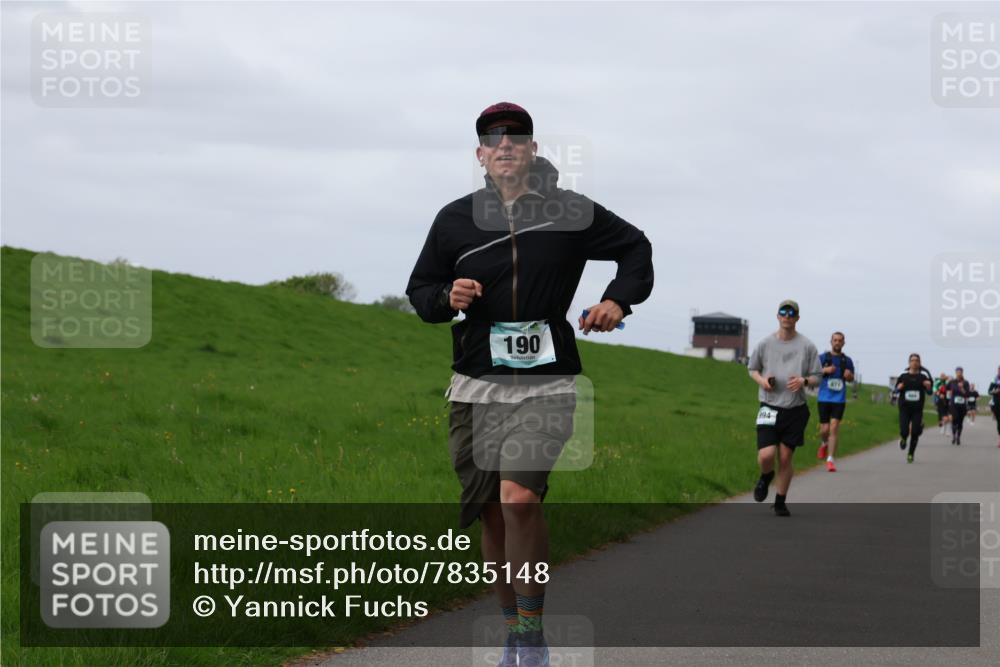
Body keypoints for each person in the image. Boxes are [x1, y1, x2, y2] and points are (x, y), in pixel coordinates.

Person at [406, 102, 653, 667]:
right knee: (491, 512)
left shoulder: (569, 212)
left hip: (547, 381)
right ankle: (516, 632)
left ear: (533, 148)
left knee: (519, 499)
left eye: (517, 137)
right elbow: (421, 292)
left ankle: (532, 636)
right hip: (477, 382)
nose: (506, 145)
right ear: (480, 155)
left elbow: (635, 247)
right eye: (494, 139)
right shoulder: (454, 220)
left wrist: (618, 299)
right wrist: (449, 298)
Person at [747, 299, 822, 517]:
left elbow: (817, 376)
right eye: (783, 312)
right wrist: (762, 381)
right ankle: (765, 476)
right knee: (766, 455)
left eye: (792, 313)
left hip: (795, 408)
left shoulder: (807, 346)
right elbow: (752, 369)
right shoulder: (765, 344)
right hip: (769, 406)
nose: (787, 316)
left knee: (786, 457)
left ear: (797, 318)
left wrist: (804, 382)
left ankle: (780, 501)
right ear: (778, 316)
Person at [816, 332, 855, 472]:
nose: (837, 342)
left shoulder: (847, 361)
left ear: (843, 343)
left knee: (833, 428)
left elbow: (851, 378)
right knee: (824, 429)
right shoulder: (823, 358)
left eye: (840, 340)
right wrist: (825, 370)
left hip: (839, 399)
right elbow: (813, 372)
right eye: (835, 340)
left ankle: (830, 459)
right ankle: (824, 442)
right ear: (831, 342)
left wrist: (849, 376)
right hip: (824, 398)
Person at [895, 354, 932, 463]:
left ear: (920, 363)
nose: (914, 362)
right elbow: (895, 391)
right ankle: (903, 438)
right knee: (904, 430)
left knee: (915, 432)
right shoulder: (903, 376)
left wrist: (928, 386)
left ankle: (911, 453)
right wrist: (898, 388)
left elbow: (930, 392)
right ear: (909, 363)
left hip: (917, 410)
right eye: (912, 360)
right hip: (904, 408)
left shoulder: (923, 377)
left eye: (917, 360)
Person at [946, 367, 972, 445]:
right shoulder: (952, 382)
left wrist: (962, 388)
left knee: (960, 422)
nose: (959, 373)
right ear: (955, 373)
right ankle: (954, 435)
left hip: (962, 405)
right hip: (953, 404)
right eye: (957, 372)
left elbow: (967, 394)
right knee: (955, 419)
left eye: (960, 372)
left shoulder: (966, 382)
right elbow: (946, 388)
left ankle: (958, 437)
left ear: (962, 373)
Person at [989, 365, 1000, 448]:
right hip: (997, 404)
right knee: (999, 422)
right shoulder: (994, 380)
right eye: (999, 370)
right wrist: (995, 391)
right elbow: (989, 391)